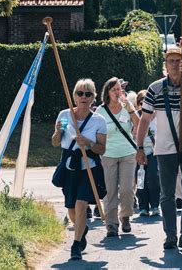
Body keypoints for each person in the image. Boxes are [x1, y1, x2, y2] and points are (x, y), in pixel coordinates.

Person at [135, 47, 182, 250]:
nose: (175, 64)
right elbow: (145, 119)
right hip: (165, 147)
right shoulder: (155, 88)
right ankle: (170, 235)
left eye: (178, 61)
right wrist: (140, 147)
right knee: (166, 193)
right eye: (171, 61)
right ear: (165, 65)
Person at [51, 78, 107, 260]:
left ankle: (75, 246)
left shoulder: (99, 120)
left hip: (88, 168)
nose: (84, 97)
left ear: (93, 97)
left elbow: (101, 149)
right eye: (80, 93)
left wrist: (88, 143)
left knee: (81, 204)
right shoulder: (64, 115)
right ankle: (81, 229)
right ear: (74, 96)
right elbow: (55, 142)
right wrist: (58, 132)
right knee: (71, 208)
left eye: (88, 94)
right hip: (69, 167)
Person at [95, 77, 140, 237]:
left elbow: (139, 123)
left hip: (128, 152)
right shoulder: (100, 111)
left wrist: (130, 108)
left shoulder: (126, 107)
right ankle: (111, 224)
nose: (117, 92)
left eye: (119, 89)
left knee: (127, 189)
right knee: (110, 191)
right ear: (107, 92)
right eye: (113, 89)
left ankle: (126, 216)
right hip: (108, 155)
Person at [135, 90, 160, 217]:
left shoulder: (159, 116)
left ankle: (155, 205)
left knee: (154, 178)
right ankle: (143, 206)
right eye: (141, 102)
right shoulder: (135, 117)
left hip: (154, 152)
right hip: (138, 152)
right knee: (140, 179)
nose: (143, 105)